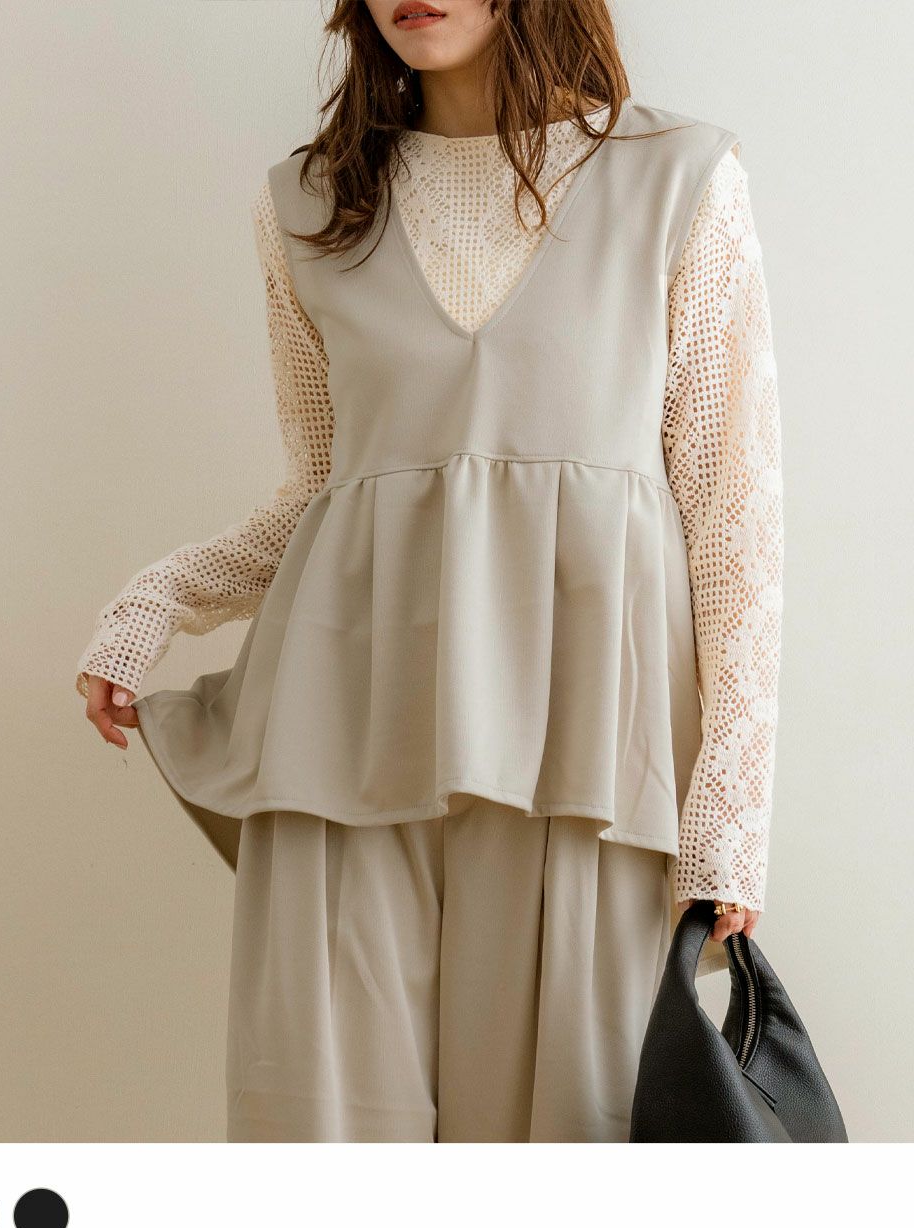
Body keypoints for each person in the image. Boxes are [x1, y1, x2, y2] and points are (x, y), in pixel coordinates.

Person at [76, 0, 784, 1142]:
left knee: (571, 1153)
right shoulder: (309, 205)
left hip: (587, 758)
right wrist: (163, 596)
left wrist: (729, 817)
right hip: (342, 741)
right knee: (327, 1144)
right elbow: (324, 489)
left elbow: (732, 518)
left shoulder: (680, 178)